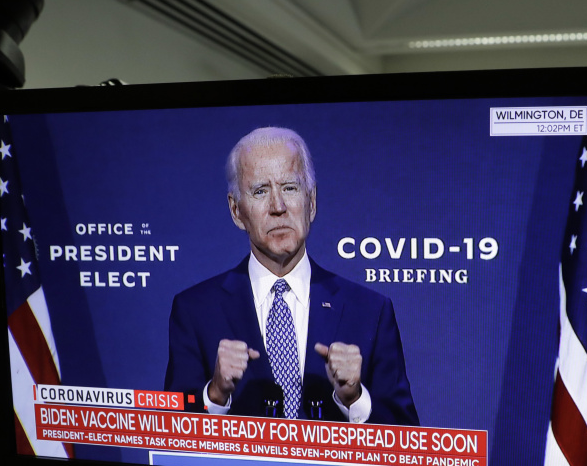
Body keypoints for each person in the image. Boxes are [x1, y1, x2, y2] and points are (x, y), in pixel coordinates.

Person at [165, 127, 419, 425]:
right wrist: (216, 394)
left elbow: (407, 436)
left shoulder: (370, 311)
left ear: (312, 202)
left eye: (290, 188)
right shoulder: (196, 310)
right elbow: (172, 434)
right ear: (236, 211)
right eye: (260, 191)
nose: (278, 207)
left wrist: (354, 398)